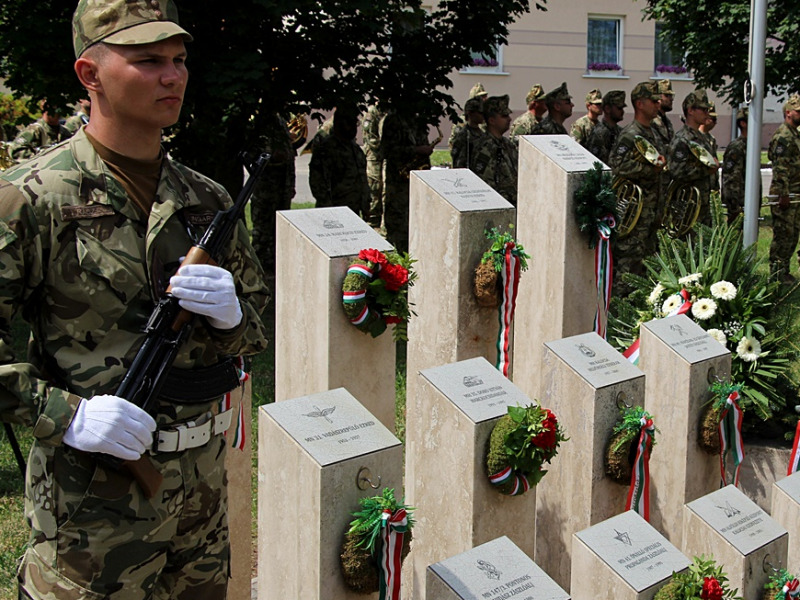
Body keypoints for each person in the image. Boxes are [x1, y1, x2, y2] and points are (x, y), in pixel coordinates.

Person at [0, 2, 270, 598]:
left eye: (177, 60)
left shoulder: (206, 198)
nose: (172, 76)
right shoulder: (30, 200)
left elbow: (254, 326)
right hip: (91, 510)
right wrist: (66, 416)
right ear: (89, 74)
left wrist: (231, 316)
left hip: (201, 503)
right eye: (147, 61)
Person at [609, 82, 666, 295]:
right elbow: (618, 165)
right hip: (634, 216)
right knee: (627, 271)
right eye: (653, 100)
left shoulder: (654, 133)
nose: (658, 104)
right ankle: (615, 319)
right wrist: (651, 168)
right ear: (640, 104)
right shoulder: (630, 134)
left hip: (650, 214)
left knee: (647, 271)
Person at [379, 109, 434, 252]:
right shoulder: (394, 120)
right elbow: (387, 150)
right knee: (398, 225)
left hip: (418, 179)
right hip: (399, 182)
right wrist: (416, 150)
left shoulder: (419, 120)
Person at [249, 111, 296, 272]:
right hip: (267, 189)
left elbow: (289, 157)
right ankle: (259, 269)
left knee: (280, 231)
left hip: (282, 188)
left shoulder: (280, 121)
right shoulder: (262, 120)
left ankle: (277, 265)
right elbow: (261, 154)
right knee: (263, 232)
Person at [667, 89, 720, 228]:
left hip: (703, 205)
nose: (707, 113)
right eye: (703, 109)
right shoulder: (682, 139)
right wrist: (706, 170)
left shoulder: (702, 138)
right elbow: (676, 171)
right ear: (690, 110)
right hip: (688, 208)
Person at [309, 103, 371, 217]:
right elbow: (318, 184)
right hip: (334, 211)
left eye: (355, 123)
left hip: (354, 210)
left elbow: (362, 178)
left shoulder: (355, 149)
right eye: (350, 123)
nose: (353, 128)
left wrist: (365, 203)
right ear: (338, 123)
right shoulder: (326, 149)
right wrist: (328, 210)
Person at [767, 94, 800, 281]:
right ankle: (777, 272)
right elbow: (780, 167)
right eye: (798, 111)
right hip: (785, 194)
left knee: (792, 235)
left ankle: (784, 270)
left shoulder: (795, 134)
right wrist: (783, 194)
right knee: (783, 235)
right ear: (788, 113)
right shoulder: (783, 136)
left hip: (795, 193)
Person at [471, 95, 518, 205]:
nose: (509, 119)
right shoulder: (485, 147)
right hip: (499, 205)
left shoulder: (507, 144)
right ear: (492, 120)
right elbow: (484, 183)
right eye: (504, 116)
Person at [721, 108, 749, 224]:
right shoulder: (737, 147)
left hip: (749, 203)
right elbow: (731, 179)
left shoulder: (750, 144)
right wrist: (734, 207)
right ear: (743, 123)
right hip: (739, 205)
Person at [361, 103, 387, 228]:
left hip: (385, 157)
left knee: (385, 191)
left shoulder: (389, 110)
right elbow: (372, 139)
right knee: (374, 188)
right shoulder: (372, 111)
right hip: (374, 157)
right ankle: (372, 222)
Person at [585, 90, 626, 164]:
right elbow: (595, 162)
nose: (622, 112)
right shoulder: (599, 133)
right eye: (619, 108)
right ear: (607, 109)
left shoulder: (619, 131)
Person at [449, 97, 486, 169]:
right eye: (480, 112)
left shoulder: (482, 134)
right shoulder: (464, 136)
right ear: (470, 113)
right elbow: (458, 163)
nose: (483, 115)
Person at [700, 101, 720, 193]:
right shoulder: (696, 138)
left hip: (711, 187)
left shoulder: (711, 139)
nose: (715, 123)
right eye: (713, 119)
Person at [651, 79, 676, 149]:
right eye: (667, 95)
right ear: (658, 97)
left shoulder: (667, 122)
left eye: (671, 96)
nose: (671, 99)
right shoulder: (651, 120)